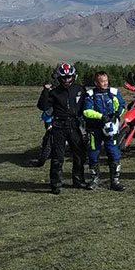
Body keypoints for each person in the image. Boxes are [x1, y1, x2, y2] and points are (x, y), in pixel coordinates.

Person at [37, 62, 87, 195]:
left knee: (79, 155)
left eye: (69, 77)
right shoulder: (54, 92)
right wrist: (45, 91)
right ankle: (56, 184)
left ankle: (78, 181)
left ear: (73, 76)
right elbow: (42, 106)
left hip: (74, 125)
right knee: (57, 157)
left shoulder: (80, 89)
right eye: (64, 78)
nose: (66, 80)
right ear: (59, 78)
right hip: (59, 126)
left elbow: (86, 105)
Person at [82, 71, 127, 191]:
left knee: (114, 153)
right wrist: (101, 117)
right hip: (94, 129)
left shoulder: (113, 92)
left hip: (111, 129)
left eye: (106, 81)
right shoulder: (90, 94)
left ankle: (115, 181)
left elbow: (122, 105)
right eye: (102, 81)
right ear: (96, 82)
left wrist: (117, 114)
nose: (105, 83)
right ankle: (94, 179)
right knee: (93, 153)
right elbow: (86, 111)